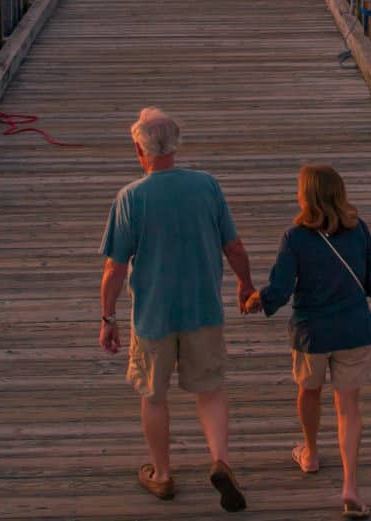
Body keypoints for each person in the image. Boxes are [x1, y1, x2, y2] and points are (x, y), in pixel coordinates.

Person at [100, 108, 256, 512]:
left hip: (153, 316)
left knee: (153, 395)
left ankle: (163, 475)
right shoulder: (206, 186)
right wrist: (245, 284)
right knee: (210, 389)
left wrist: (107, 317)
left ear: (139, 148)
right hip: (203, 308)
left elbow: (114, 268)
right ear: (177, 143)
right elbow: (234, 247)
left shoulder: (130, 198)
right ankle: (219, 460)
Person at [244, 164, 371, 519]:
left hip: (312, 333)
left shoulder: (295, 238)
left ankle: (310, 453)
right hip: (354, 330)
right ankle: (350, 485)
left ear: (308, 197)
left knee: (309, 391)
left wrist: (260, 300)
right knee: (348, 407)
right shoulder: (359, 229)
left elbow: (281, 288)